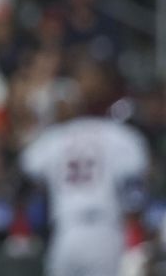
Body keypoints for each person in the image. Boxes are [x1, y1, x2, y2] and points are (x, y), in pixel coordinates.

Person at [19, 90, 150, 276]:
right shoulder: (119, 135)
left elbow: (26, 173)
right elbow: (134, 197)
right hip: (104, 231)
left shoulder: (55, 137)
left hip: (65, 232)